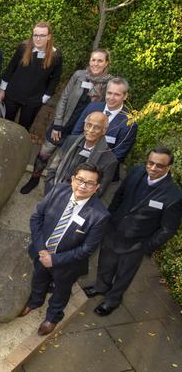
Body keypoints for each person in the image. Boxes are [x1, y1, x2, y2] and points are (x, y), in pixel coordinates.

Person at [84, 147, 182, 316]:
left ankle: (113, 300)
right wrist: (110, 218)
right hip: (113, 231)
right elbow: (120, 195)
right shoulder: (136, 171)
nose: (152, 168)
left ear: (169, 167)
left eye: (159, 165)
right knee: (105, 263)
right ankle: (101, 286)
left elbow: (168, 229)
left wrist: (145, 247)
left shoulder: (173, 196)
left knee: (124, 274)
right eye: (150, 163)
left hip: (135, 244)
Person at [20, 163, 109, 336]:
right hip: (42, 252)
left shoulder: (100, 215)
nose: (83, 186)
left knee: (61, 290)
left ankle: (53, 316)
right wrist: (41, 250)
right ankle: (36, 301)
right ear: (73, 179)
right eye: (80, 180)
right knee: (39, 277)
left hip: (68, 264)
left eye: (89, 183)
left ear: (97, 187)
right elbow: (36, 218)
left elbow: (86, 250)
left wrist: (54, 260)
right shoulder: (58, 190)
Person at [20, 50, 113, 194]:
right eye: (93, 60)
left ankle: (52, 190)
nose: (96, 63)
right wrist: (57, 123)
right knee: (44, 153)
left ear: (106, 63)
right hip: (62, 124)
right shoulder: (79, 76)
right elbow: (64, 98)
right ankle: (34, 179)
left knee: (62, 162)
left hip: (81, 132)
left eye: (100, 61)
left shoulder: (108, 84)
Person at [0, 21, 63, 131]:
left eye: (42, 35)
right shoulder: (23, 48)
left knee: (23, 129)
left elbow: (55, 78)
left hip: (33, 100)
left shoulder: (56, 56)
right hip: (12, 94)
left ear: (49, 37)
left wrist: (45, 97)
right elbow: (11, 68)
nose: (38, 38)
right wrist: (2, 89)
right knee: (5, 125)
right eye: (35, 35)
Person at [44, 111, 118, 196]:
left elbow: (98, 191)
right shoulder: (70, 141)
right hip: (53, 192)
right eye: (88, 125)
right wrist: (50, 190)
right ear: (84, 125)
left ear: (104, 130)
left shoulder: (109, 160)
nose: (91, 130)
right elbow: (53, 168)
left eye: (96, 127)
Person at [71, 78, 138, 169]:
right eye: (109, 93)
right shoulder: (92, 107)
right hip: (76, 160)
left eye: (117, 94)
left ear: (125, 96)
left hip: (101, 169)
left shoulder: (129, 123)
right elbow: (76, 134)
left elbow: (118, 155)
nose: (111, 98)